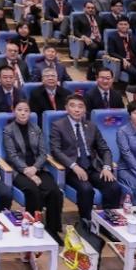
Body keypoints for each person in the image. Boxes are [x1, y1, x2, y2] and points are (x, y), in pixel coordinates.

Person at [49, 95, 121, 224]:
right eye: (73, 106)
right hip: (72, 170)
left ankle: (108, 222)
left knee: (114, 187)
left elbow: (104, 149)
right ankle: (86, 223)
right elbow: (56, 151)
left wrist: (106, 167)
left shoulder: (91, 126)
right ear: (66, 108)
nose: (77, 109)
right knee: (86, 189)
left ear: (85, 110)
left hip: (92, 167)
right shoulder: (58, 126)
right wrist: (74, 166)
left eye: (80, 106)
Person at [3, 101, 64, 241]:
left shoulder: (36, 129)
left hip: (38, 168)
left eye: (26, 110)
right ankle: (32, 227)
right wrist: (27, 171)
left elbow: (43, 154)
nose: (23, 113)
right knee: (33, 191)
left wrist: (35, 168)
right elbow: (12, 156)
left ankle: (52, 229)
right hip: (19, 170)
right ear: (14, 111)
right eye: (19, 110)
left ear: (30, 112)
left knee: (55, 192)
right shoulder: (8, 130)